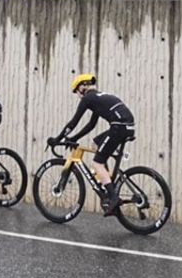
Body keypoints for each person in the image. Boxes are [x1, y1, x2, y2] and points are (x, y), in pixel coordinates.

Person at [50, 73, 135, 213]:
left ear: (82, 87)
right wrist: (74, 138)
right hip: (125, 126)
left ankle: (113, 197)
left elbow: (73, 122)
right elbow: (91, 124)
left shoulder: (88, 98)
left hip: (119, 127)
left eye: (76, 91)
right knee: (96, 144)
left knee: (97, 163)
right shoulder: (97, 98)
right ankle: (107, 180)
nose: (78, 95)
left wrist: (57, 139)